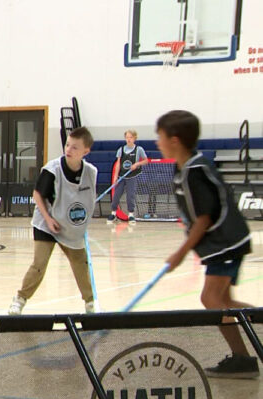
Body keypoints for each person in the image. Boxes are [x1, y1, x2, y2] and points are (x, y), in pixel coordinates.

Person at [158, 110, 258, 379]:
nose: (158, 141)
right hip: (222, 243)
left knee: (211, 298)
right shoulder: (183, 167)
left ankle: (244, 358)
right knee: (224, 301)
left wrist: (180, 253)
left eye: (161, 136)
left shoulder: (194, 171)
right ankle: (243, 360)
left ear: (175, 140)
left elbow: (204, 217)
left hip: (225, 243)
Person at [8, 127, 98, 315]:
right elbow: (37, 195)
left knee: (81, 264)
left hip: (70, 226)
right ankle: (19, 300)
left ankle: (90, 303)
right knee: (39, 264)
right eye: (67, 145)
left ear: (85, 151)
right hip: (47, 224)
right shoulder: (52, 170)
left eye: (74, 147)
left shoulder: (91, 172)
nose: (68, 150)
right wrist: (48, 220)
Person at [108, 129, 149, 223]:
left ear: (134, 138)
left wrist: (137, 164)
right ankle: (113, 213)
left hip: (132, 176)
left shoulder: (139, 149)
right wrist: (115, 176)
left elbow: (146, 161)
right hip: (122, 176)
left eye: (130, 137)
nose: (128, 139)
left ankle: (131, 214)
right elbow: (118, 164)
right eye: (127, 137)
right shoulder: (121, 150)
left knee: (130, 195)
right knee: (116, 195)